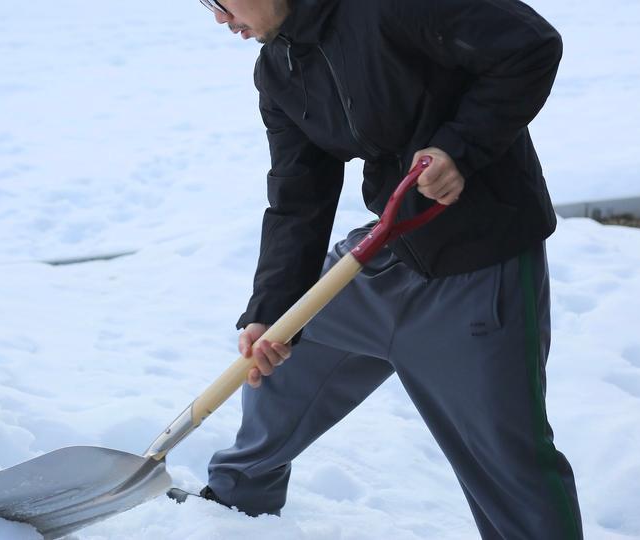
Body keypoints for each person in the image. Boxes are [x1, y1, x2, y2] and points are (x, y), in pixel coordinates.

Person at [198, 0, 582, 538]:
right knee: (278, 366)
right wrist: (271, 312)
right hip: (391, 251)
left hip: (477, 269)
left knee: (506, 464)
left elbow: (530, 44)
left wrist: (458, 147)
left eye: (218, 0)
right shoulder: (280, 68)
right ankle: (227, 517)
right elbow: (298, 198)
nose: (218, 17)